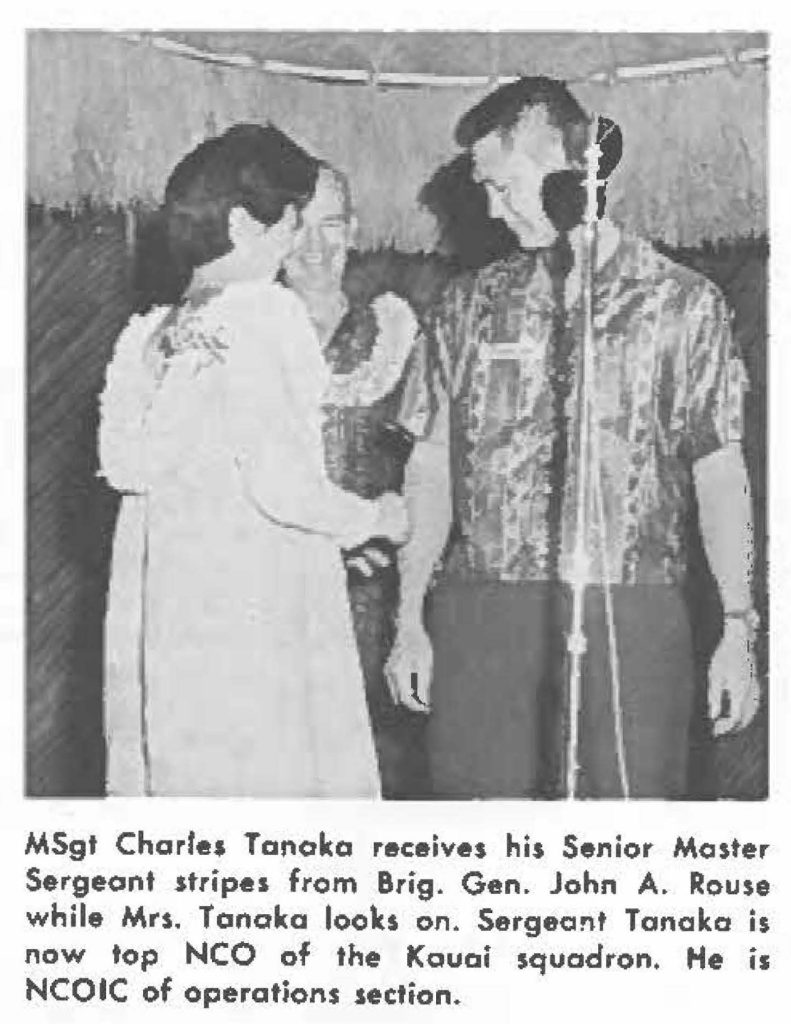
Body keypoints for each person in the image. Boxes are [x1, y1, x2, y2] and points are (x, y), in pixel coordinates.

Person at [386, 77, 760, 799]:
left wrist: (738, 626)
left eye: (506, 187)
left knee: (627, 822)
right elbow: (428, 463)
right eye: (484, 191)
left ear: (571, 167)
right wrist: (407, 618)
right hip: (481, 608)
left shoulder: (680, 302)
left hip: (633, 603)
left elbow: (718, 469)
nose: (493, 210)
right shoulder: (465, 305)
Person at [99, 123, 408, 798]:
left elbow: (123, 464)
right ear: (245, 223)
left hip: (172, 618)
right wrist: (377, 516)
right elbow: (283, 486)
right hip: (255, 610)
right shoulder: (264, 314)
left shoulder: (149, 333)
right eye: (295, 221)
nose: (301, 241)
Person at [283, 162, 433, 797]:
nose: (315, 249)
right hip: (270, 596)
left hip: (374, 604)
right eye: (298, 228)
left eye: (332, 226)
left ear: (355, 230)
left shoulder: (396, 331)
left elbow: (434, 467)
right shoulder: (238, 334)